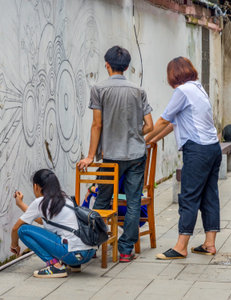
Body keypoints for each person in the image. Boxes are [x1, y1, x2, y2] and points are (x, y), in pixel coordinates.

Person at [77, 45, 153, 262]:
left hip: (110, 158)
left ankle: (93, 245)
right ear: (127, 67)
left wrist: (90, 156)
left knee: (102, 200)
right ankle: (126, 250)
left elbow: (97, 125)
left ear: (107, 65)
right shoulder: (139, 91)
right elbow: (149, 125)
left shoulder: (99, 89)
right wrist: (134, 134)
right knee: (133, 201)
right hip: (136, 156)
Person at [146, 56, 222, 260]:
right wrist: (151, 141)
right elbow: (173, 124)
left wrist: (142, 138)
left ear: (173, 74)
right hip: (213, 149)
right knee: (209, 195)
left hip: (197, 151)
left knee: (189, 196)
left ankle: (181, 246)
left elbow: (163, 120)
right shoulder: (198, 88)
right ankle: (209, 243)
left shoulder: (182, 91)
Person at [10, 169, 96, 278]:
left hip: (72, 254)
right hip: (87, 253)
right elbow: (42, 221)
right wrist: (21, 204)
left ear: (36, 186)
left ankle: (55, 266)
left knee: (23, 230)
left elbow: (15, 228)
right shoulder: (66, 199)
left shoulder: (40, 202)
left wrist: (14, 245)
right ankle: (74, 265)